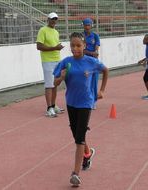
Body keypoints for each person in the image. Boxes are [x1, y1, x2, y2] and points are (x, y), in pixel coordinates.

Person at [53, 32, 108, 187]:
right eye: (72, 45)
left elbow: (106, 70)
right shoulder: (65, 62)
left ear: (84, 45)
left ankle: (75, 174)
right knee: (77, 133)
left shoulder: (91, 62)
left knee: (79, 139)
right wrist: (61, 77)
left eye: (78, 45)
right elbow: (55, 83)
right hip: (71, 103)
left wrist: (102, 90)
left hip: (86, 103)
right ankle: (88, 154)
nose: (75, 48)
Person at [36, 12, 64, 117]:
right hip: (47, 61)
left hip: (57, 60)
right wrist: (55, 48)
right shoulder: (43, 30)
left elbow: (54, 45)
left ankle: (53, 105)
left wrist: (58, 47)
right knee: (49, 85)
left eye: (56, 19)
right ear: (48, 19)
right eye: (52, 19)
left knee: (55, 84)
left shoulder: (56, 32)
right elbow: (39, 46)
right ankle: (49, 108)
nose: (54, 21)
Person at [82, 18, 100, 109]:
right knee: (85, 82)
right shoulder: (81, 36)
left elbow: (96, 47)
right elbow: (82, 50)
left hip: (93, 62)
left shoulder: (95, 36)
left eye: (89, 25)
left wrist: (95, 52)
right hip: (85, 61)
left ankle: (93, 101)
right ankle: (86, 100)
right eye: (86, 25)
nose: (87, 27)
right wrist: (92, 53)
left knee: (94, 82)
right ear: (83, 26)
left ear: (91, 25)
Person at [138, 34, 148, 100]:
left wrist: (145, 62)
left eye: (145, 39)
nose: (143, 40)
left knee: (146, 78)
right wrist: (142, 60)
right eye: (144, 38)